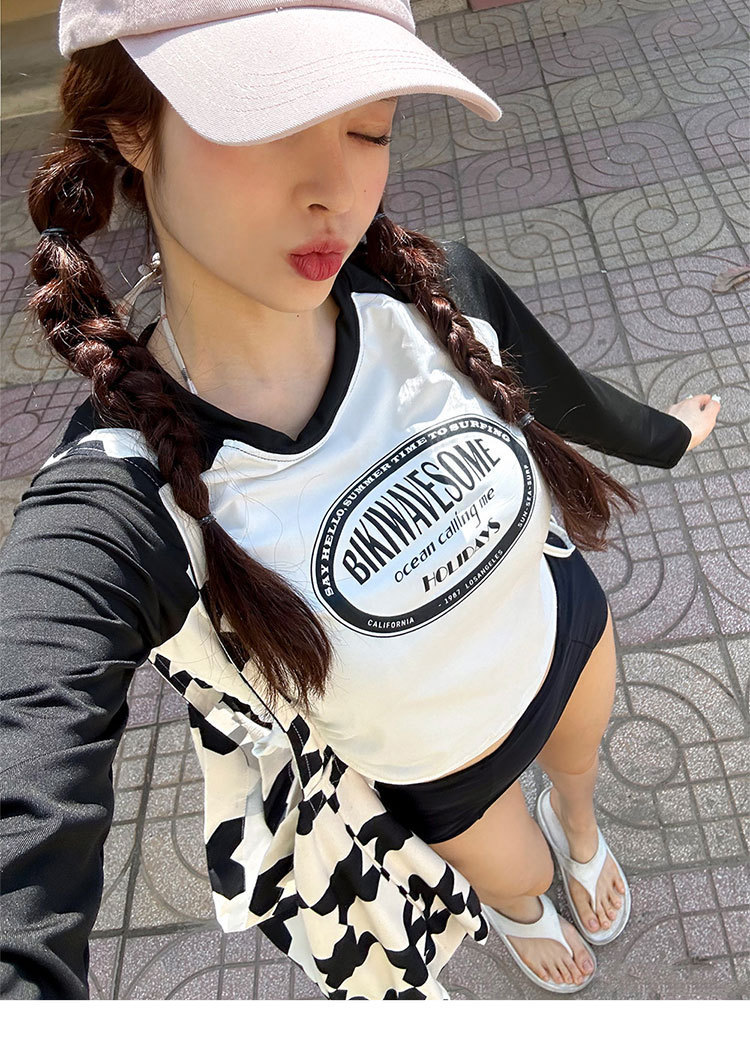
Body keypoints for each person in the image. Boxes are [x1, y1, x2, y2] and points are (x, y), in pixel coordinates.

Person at [0, 0, 720, 1001]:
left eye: (370, 128)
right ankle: (526, 904)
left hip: (569, 634)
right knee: (520, 879)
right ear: (131, 126)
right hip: (448, 772)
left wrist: (666, 437)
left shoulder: (433, 292)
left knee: (579, 779)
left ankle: (584, 830)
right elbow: (31, 738)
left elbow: (561, 395)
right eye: (267, 122)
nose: (336, 191)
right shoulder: (125, 498)